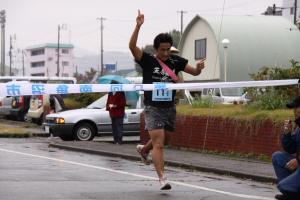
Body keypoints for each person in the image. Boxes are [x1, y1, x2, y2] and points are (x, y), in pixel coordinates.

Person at [129, 10, 206, 190]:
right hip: (152, 107)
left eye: (167, 50)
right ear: (156, 49)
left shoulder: (176, 61)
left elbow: (194, 72)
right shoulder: (147, 60)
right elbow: (132, 46)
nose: (165, 53)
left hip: (169, 106)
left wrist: (200, 68)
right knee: (159, 143)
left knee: (165, 140)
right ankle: (162, 178)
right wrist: (138, 26)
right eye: (161, 50)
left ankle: (143, 149)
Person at [272, 96, 300, 200]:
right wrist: (287, 134)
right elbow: (291, 148)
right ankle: (290, 193)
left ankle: (292, 192)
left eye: (296, 108)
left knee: (283, 186)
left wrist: (298, 160)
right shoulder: (298, 125)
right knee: (277, 157)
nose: (294, 111)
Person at [106, 81, 126, 145]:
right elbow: (108, 101)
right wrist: (108, 106)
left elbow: (123, 103)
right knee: (114, 128)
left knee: (119, 128)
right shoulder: (110, 93)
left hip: (119, 113)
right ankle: (115, 141)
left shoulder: (121, 92)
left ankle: (119, 142)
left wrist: (114, 106)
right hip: (112, 113)